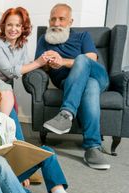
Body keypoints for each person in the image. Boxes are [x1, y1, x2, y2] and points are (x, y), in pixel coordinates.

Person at [35, 3, 110, 170]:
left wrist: (63, 61)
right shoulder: (44, 40)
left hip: (98, 76)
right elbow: (40, 66)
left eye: (61, 19)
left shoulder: (83, 36)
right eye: (53, 19)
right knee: (89, 86)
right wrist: (49, 62)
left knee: (83, 60)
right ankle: (92, 148)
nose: (56, 23)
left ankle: (66, 113)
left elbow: (91, 60)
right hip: (68, 83)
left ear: (70, 21)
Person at [0, 7, 48, 84]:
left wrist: (44, 61)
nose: (13, 29)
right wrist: (38, 63)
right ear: (4, 26)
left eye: (18, 25)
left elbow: (26, 65)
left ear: (23, 28)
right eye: (9, 25)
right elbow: (10, 72)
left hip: (2, 84)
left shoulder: (22, 44)